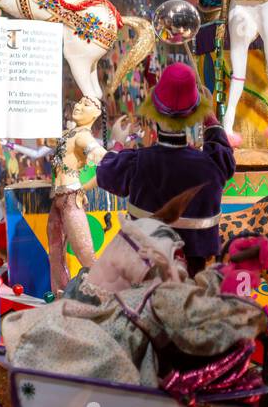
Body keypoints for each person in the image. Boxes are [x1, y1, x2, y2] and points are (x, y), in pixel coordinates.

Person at [97, 62, 234, 276]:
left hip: (145, 279)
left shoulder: (138, 162)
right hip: (196, 281)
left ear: (154, 112)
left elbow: (105, 175)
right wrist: (208, 115)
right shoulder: (213, 166)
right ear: (194, 114)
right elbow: (224, 153)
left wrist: (117, 145)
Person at [47, 97, 109, 295]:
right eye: (79, 102)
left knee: (86, 255)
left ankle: (106, 298)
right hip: (58, 200)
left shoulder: (84, 137)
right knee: (55, 253)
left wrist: (84, 188)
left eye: (86, 105)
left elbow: (106, 163)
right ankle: (60, 295)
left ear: (97, 113)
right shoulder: (68, 133)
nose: (79, 106)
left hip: (71, 199)